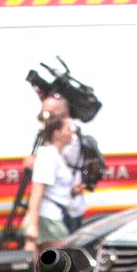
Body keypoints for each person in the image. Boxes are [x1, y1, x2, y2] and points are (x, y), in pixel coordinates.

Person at [17, 89, 92, 254]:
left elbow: (54, 185)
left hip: (54, 216)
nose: (71, 133)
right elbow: (38, 190)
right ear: (57, 134)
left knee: (48, 270)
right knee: (61, 268)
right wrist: (33, 226)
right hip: (48, 219)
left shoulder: (54, 154)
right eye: (67, 130)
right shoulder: (49, 155)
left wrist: (72, 190)